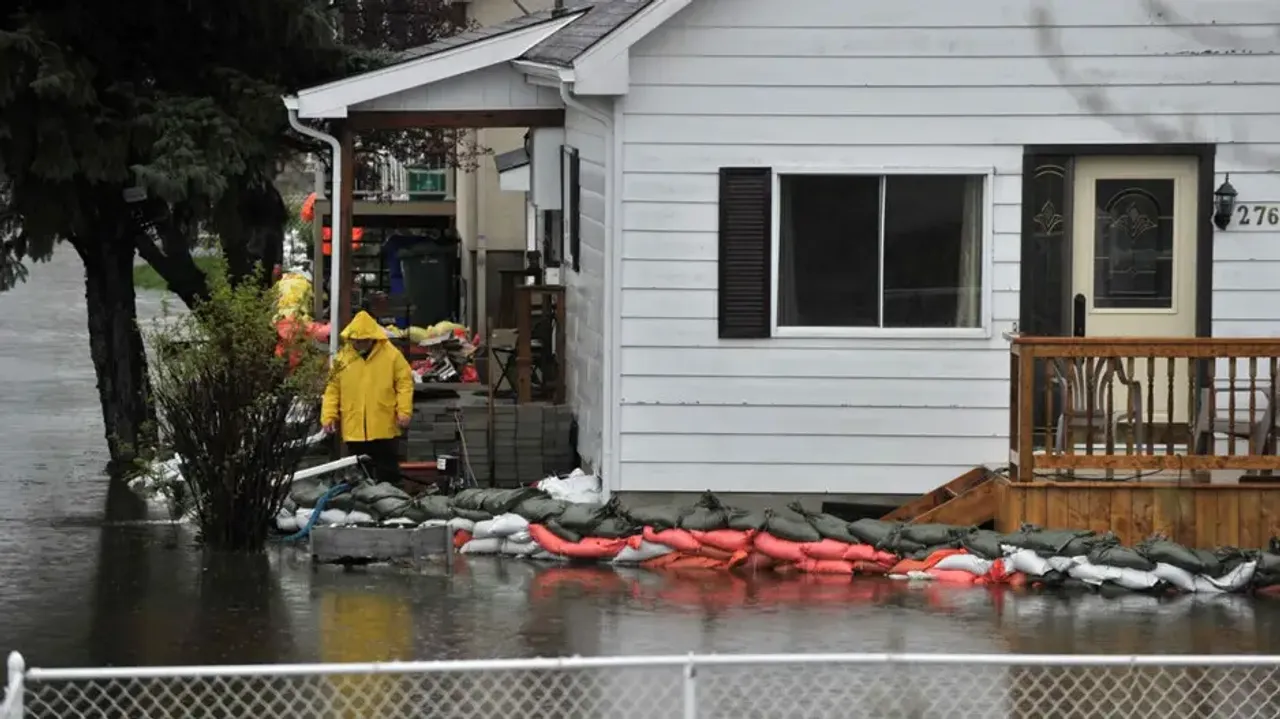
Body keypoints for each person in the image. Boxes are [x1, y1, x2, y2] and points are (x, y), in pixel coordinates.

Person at [320, 311, 415, 484]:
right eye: (357, 340)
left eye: (364, 340)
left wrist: (404, 411)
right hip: (354, 427)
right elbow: (332, 389)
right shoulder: (342, 358)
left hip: (383, 424)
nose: (360, 344)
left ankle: (390, 503)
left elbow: (404, 383)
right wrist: (328, 416)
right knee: (359, 475)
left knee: (387, 472)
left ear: (373, 338)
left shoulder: (391, 355)